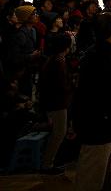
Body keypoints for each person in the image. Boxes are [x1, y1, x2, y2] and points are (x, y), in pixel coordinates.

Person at [73, 12, 111, 191]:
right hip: (98, 125)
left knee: (95, 171)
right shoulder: (102, 56)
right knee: (92, 174)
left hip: (98, 122)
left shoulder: (99, 52)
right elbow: (102, 94)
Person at [38, 33, 73, 174]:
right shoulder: (59, 62)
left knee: (58, 133)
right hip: (57, 103)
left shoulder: (53, 60)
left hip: (53, 101)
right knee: (59, 133)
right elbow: (61, 85)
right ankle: (47, 164)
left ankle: (49, 161)